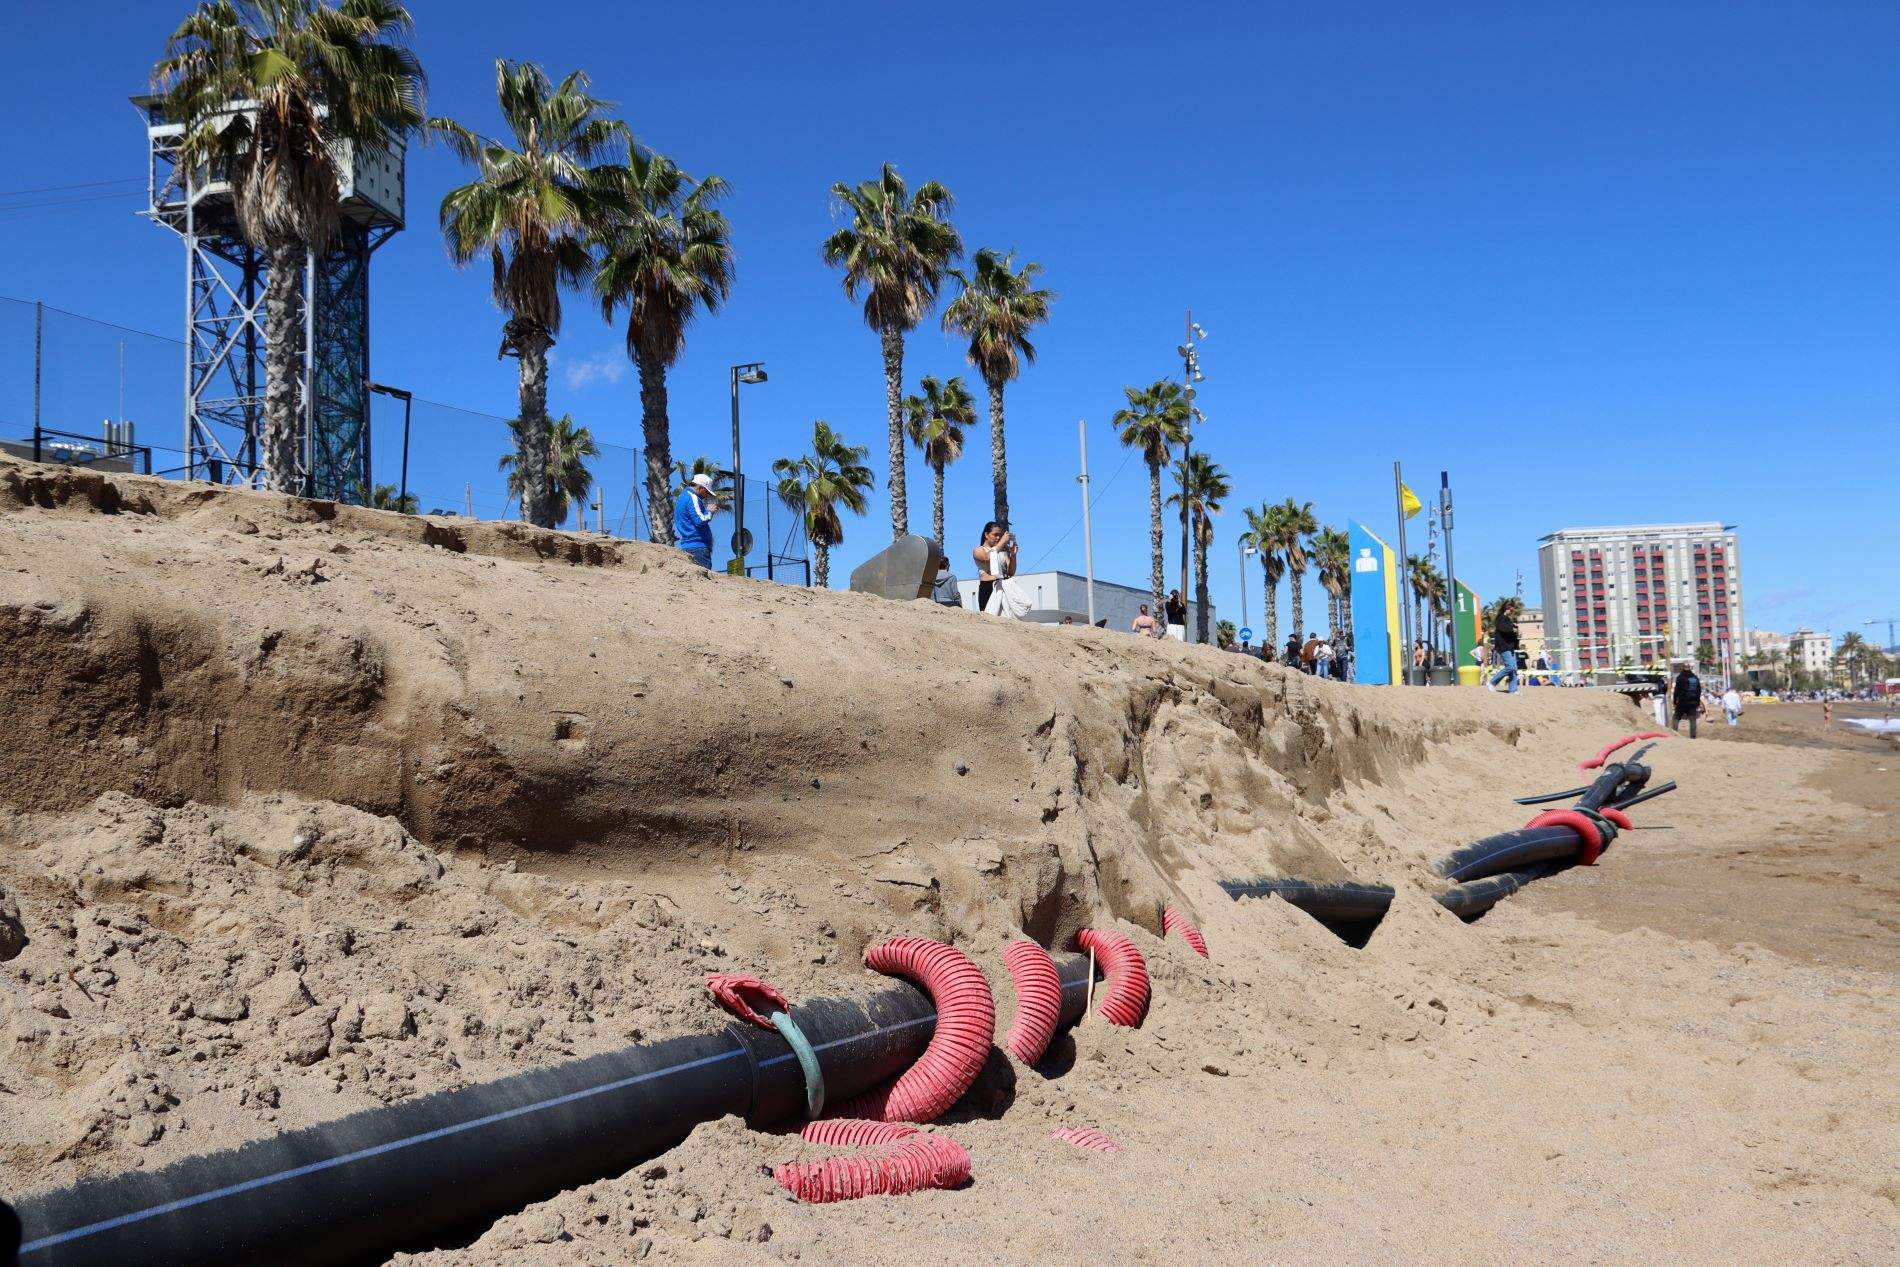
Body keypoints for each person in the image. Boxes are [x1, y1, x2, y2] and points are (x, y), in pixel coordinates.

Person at [673, 472, 721, 569]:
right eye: (707, 492)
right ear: (701, 487)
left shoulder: (682, 497)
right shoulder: (693, 497)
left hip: (688, 547)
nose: (706, 496)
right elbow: (700, 520)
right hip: (698, 549)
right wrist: (710, 511)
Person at [1486, 603, 1521, 694]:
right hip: (1503, 646)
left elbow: (1510, 631)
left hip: (1510, 646)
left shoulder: (1507, 619)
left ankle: (1513, 690)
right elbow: (1504, 629)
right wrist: (1512, 629)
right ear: (1506, 609)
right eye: (1511, 610)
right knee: (1510, 667)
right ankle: (1492, 682)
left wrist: (1514, 628)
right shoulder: (1501, 618)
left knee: (1513, 668)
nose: (1512, 612)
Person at [972, 522, 1003, 612]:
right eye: (995, 535)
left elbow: (1011, 572)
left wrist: (1013, 555)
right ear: (986, 534)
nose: (998, 538)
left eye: (1000, 536)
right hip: (987, 586)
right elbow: (987, 557)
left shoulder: (1000, 552)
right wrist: (1002, 542)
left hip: (1001, 585)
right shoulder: (978, 550)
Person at [1671, 663, 1703, 738]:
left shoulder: (1680, 677)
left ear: (1683, 668)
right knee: (1692, 720)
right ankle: (1693, 737)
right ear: (1690, 668)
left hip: (1682, 702)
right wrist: (1697, 702)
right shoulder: (1695, 677)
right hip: (1693, 702)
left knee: (1676, 718)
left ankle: (1675, 735)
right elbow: (1699, 691)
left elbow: (1676, 691)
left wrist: (1675, 701)